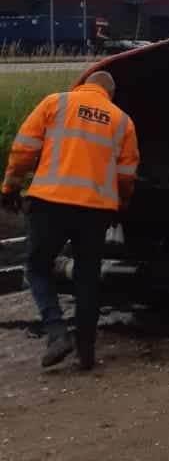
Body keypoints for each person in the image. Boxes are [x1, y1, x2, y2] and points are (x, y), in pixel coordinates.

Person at [1, 69, 138, 370]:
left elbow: (24, 149)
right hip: (95, 210)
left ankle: (56, 331)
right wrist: (121, 204)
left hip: (50, 203)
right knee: (87, 276)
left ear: (81, 87)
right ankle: (86, 353)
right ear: (109, 94)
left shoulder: (55, 103)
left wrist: (10, 187)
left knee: (37, 267)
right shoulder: (121, 121)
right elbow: (127, 174)